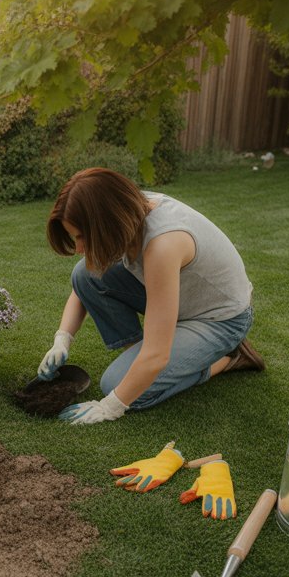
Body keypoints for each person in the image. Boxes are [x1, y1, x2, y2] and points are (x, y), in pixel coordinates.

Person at [38, 167, 263, 425]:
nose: (78, 248)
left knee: (117, 385)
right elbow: (83, 284)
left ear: (106, 222)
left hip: (220, 319)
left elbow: (157, 354)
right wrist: (62, 339)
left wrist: (110, 406)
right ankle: (143, 362)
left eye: (81, 237)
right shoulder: (127, 208)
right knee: (84, 274)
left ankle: (231, 358)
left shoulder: (162, 244)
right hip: (183, 301)